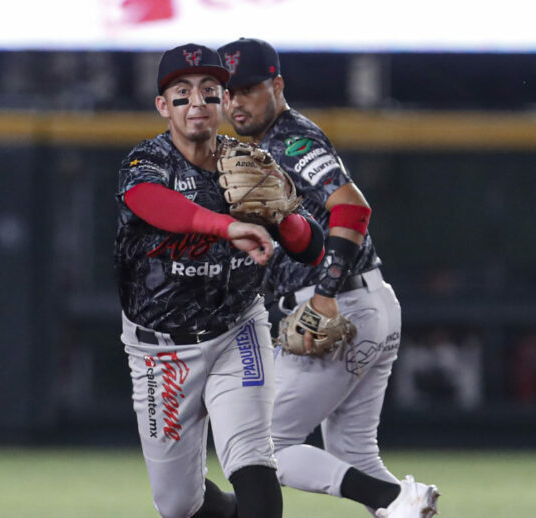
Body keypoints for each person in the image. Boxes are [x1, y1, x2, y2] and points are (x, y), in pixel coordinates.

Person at [217, 37, 440, 518]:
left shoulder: (291, 139)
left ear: (277, 85)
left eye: (249, 89)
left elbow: (353, 207)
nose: (236, 102)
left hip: (341, 306)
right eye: (228, 92)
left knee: (261, 446)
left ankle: (392, 499)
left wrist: (324, 295)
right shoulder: (256, 148)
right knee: (354, 455)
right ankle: (404, 504)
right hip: (368, 303)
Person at [115, 43, 325, 518]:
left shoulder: (249, 163)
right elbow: (152, 203)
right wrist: (226, 224)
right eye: (182, 93)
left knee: (251, 455)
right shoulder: (146, 162)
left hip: (237, 331)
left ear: (223, 103)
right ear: (162, 106)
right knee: (178, 504)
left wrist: (283, 213)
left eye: (210, 92)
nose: (197, 103)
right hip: (159, 350)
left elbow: (310, 247)